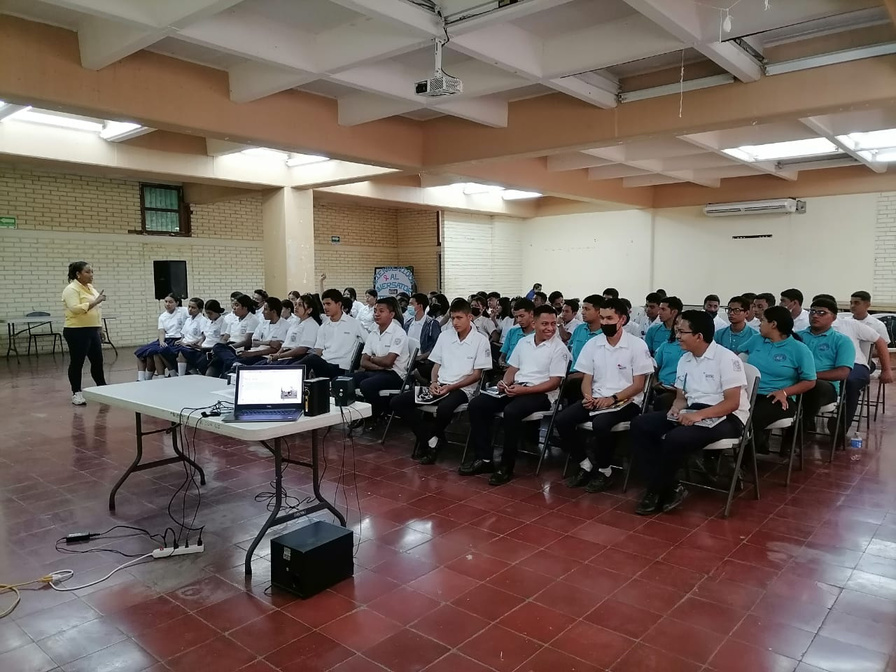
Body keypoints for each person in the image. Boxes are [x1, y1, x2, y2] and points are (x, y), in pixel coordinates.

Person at [630, 310, 750, 515]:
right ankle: (671, 486)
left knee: (677, 437)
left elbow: (732, 403)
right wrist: (676, 408)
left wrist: (698, 416)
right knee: (640, 424)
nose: (677, 336)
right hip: (693, 410)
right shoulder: (685, 359)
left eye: (681, 332)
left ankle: (655, 491)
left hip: (728, 417)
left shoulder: (727, 359)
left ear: (699, 336)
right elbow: (681, 397)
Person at [460, 306, 570, 485]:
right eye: (545, 324)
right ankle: (484, 458)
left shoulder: (559, 348)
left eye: (553, 324)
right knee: (477, 405)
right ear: (534, 323)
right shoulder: (524, 343)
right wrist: (505, 383)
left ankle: (506, 466)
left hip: (541, 394)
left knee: (512, 412)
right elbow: (512, 369)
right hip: (518, 388)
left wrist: (523, 390)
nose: (550, 328)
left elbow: (554, 383)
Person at [554, 299, 654, 492]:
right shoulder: (593, 344)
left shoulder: (636, 345)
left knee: (601, 424)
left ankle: (605, 471)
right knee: (562, 420)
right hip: (597, 398)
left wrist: (612, 399)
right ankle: (584, 464)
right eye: (602, 318)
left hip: (626, 401)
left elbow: (638, 385)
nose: (605, 322)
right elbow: (587, 378)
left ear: (622, 319)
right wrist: (587, 396)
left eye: (610, 318)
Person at [391, 298, 492, 464]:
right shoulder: (445, 336)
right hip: (440, 385)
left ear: (469, 317)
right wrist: (433, 382)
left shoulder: (480, 340)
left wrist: (451, 387)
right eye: (452, 318)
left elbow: (476, 376)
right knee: (398, 402)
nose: (455, 322)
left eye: (459, 318)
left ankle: (430, 442)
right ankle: (430, 439)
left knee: (444, 408)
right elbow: (436, 365)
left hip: (462, 389)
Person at [741, 306, 816, 454]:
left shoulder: (799, 349)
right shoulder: (756, 340)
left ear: (773, 324)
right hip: (749, 393)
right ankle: (713, 458)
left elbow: (810, 381)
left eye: (763, 320)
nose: (759, 324)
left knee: (753, 417)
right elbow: (737, 355)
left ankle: (744, 460)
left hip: (778, 398)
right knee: (725, 409)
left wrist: (785, 392)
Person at [797, 297, 855, 433]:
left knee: (813, 387)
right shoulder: (797, 337)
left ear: (833, 318)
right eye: (812, 311)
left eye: (822, 313)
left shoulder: (842, 341)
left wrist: (810, 377)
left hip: (825, 387)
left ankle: (799, 430)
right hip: (794, 381)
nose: (815, 315)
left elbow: (843, 373)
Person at [353, 297, 410, 423]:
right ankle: (356, 414)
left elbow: (389, 362)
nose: (376, 314)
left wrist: (373, 358)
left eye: (381, 311)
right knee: (345, 381)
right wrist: (379, 365)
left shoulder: (398, 333)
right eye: (375, 311)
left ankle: (378, 413)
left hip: (395, 375)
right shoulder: (373, 332)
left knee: (366, 385)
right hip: (377, 371)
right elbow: (363, 361)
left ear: (391, 314)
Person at [61, 261, 107, 405]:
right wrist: (96, 301)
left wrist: (100, 328)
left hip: (92, 329)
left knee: (97, 361)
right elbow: (75, 309)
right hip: (76, 331)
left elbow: (97, 310)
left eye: (92, 272)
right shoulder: (71, 289)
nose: (91, 275)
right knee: (77, 362)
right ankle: (76, 393)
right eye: (87, 272)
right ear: (78, 274)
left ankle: (103, 389)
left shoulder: (90, 288)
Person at [297, 288, 366, 378]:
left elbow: (368, 343)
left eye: (328, 304)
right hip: (325, 364)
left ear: (339, 304)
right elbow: (318, 351)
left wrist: (362, 366)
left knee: (310, 359)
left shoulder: (354, 324)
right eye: (324, 304)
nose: (325, 307)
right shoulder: (323, 327)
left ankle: (290, 372)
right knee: (310, 360)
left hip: (341, 368)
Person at [205, 294, 260, 378]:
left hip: (240, 347)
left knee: (220, 357)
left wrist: (230, 347)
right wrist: (222, 347)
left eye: (237, 305)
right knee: (217, 348)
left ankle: (231, 366)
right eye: (234, 305)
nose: (234, 308)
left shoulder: (253, 319)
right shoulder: (233, 320)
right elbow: (225, 338)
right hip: (229, 347)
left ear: (245, 307)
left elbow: (247, 341)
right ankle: (234, 363)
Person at [134, 293, 186, 380]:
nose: (167, 304)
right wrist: (161, 341)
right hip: (166, 339)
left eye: (170, 302)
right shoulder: (162, 316)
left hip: (177, 339)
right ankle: (141, 379)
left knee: (159, 352)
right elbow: (161, 331)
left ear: (177, 303)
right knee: (140, 352)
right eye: (166, 302)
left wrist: (184, 338)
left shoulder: (183, 311)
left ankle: (170, 375)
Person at [268, 293, 322, 363]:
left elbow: (302, 349)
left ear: (309, 310)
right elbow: (286, 345)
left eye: (300, 305)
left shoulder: (311, 325)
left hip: (297, 358)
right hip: (285, 356)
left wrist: (279, 356)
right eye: (295, 304)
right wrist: (276, 355)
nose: (296, 307)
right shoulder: (295, 322)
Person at [177, 299, 223, 375]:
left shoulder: (223, 322)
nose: (208, 316)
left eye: (210, 313)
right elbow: (204, 336)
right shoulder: (209, 321)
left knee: (202, 364)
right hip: (202, 348)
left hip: (211, 350)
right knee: (177, 353)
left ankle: (198, 373)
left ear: (217, 311)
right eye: (207, 313)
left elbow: (223, 340)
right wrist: (199, 345)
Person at [166, 297, 205, 375]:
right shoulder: (188, 320)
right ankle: (178, 373)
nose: (190, 309)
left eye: (193, 308)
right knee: (164, 351)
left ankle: (181, 376)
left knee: (181, 353)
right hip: (185, 344)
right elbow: (184, 335)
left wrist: (191, 343)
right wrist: (181, 341)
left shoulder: (203, 320)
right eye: (189, 307)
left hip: (193, 347)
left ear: (200, 309)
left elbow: (204, 336)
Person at [652, 316, 684, 412]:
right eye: (676, 323)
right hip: (663, 387)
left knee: (664, 400)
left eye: (681, 324)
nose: (677, 327)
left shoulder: (692, 348)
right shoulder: (665, 345)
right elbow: (654, 369)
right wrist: (654, 383)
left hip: (681, 391)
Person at [498, 298, 535, 367]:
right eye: (516, 317)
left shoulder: (538, 335)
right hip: (507, 369)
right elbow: (503, 355)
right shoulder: (512, 332)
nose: (519, 320)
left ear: (532, 314)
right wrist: (502, 362)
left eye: (522, 316)